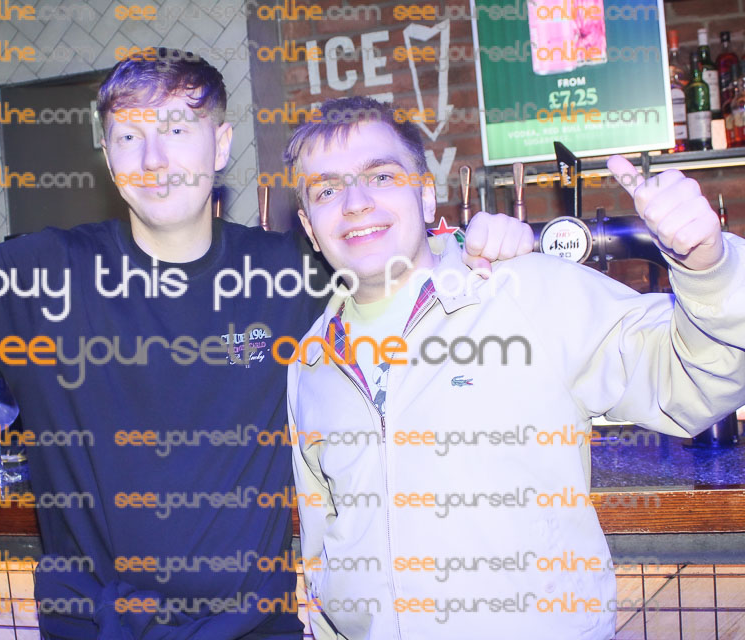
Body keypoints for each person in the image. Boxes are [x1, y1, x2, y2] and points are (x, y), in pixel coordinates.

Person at [0, 53, 531, 639]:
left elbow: (399, 265)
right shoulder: (45, 269)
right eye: (129, 136)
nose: (155, 158)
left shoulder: (293, 270)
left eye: (177, 128)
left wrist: (485, 243)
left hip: (255, 630)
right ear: (108, 155)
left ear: (220, 146)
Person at [284, 95, 745, 639]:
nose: (356, 203)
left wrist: (708, 268)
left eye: (381, 176)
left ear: (426, 194)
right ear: (309, 226)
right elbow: (323, 533)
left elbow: (695, 380)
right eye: (327, 190)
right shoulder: (312, 360)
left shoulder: (527, 292)